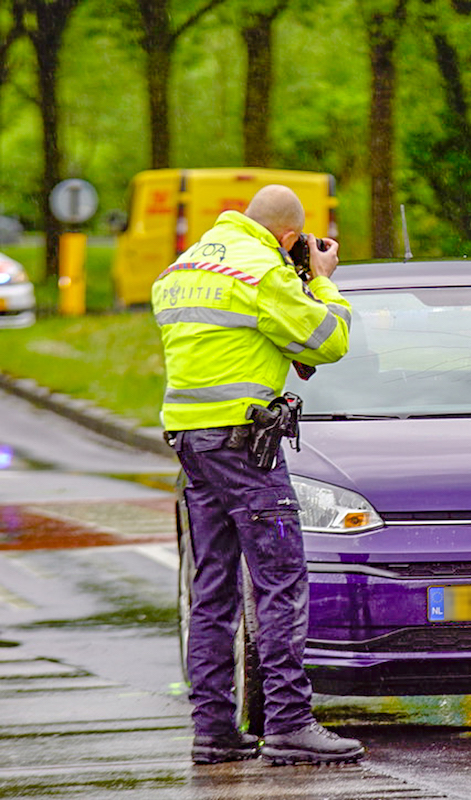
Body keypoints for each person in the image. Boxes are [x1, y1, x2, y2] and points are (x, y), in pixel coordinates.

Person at [151, 185, 363, 765]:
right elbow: (329, 341)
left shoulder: (183, 266)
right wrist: (319, 278)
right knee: (280, 581)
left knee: (212, 592)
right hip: (246, 450)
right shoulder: (264, 272)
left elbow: (234, 342)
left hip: (192, 446)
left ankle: (214, 730)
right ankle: (290, 723)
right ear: (289, 236)